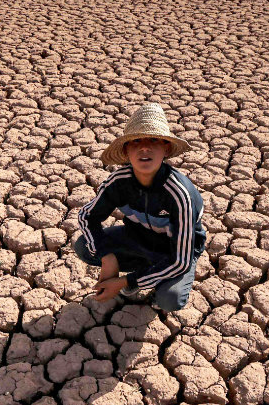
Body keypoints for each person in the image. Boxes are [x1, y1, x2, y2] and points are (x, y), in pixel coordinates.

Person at [73, 102, 206, 312]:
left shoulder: (180, 194)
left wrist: (126, 282)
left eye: (154, 140)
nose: (145, 147)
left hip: (172, 252)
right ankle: (144, 269)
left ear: (166, 148)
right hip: (136, 240)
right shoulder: (118, 182)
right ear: (126, 151)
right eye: (136, 141)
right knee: (84, 247)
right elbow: (86, 217)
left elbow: (180, 260)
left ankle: (147, 279)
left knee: (170, 299)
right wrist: (107, 257)